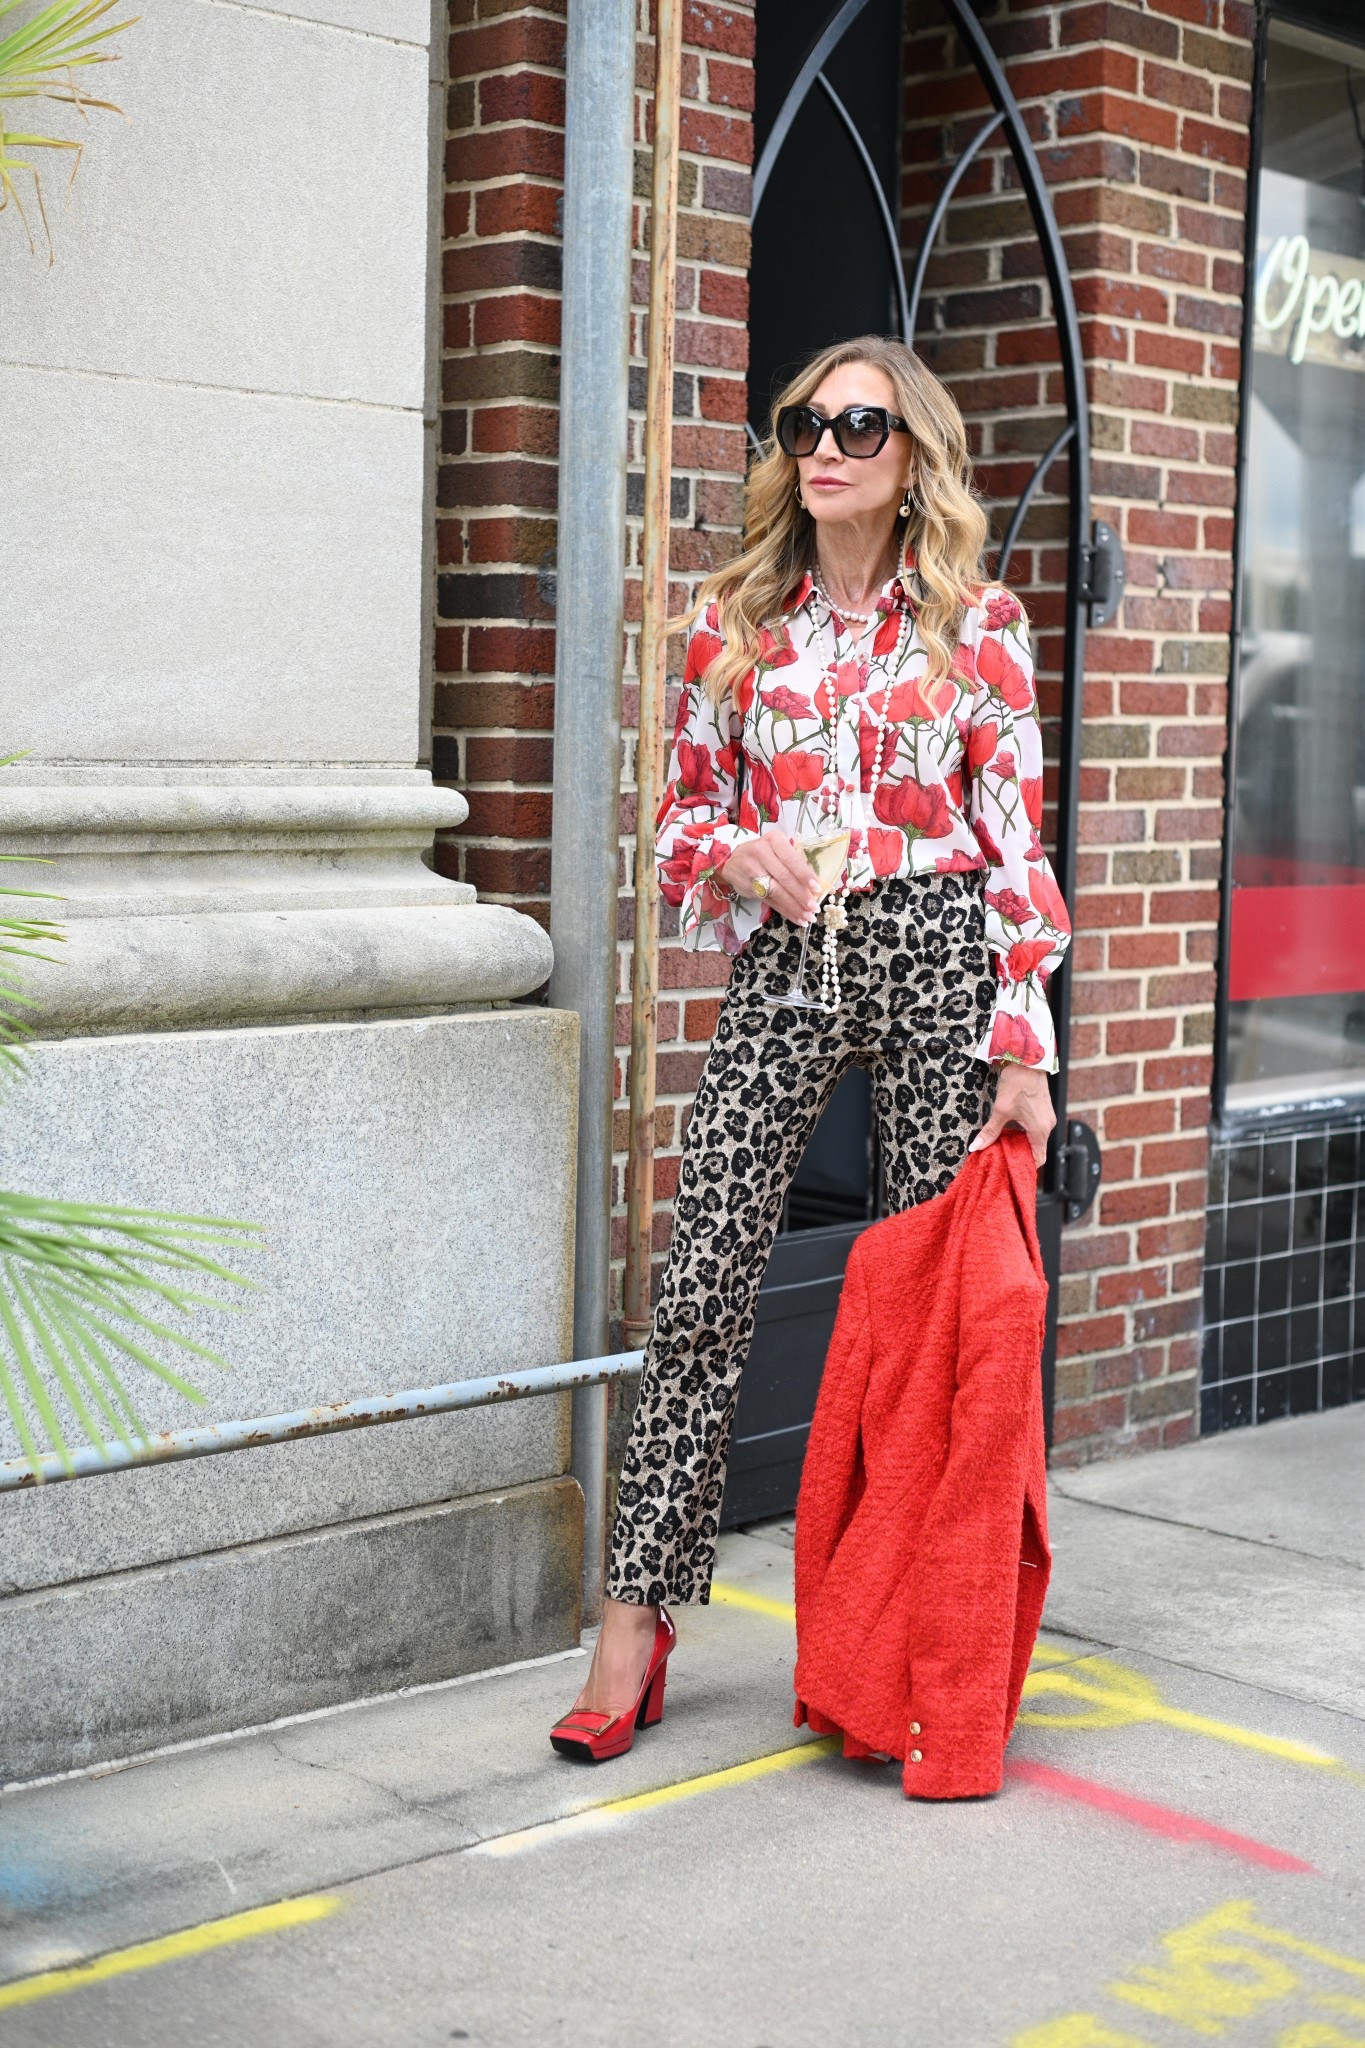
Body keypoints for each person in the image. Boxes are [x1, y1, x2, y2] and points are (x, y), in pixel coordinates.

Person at [549, 333, 1071, 1764]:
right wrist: (739, 850)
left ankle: (894, 1642)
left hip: (934, 955)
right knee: (703, 1280)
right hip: (788, 956)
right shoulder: (735, 625)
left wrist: (1022, 1050)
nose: (824, 447)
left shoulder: (979, 624)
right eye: (803, 423)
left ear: (915, 465)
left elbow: (1017, 847)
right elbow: (669, 832)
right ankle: (633, 1622)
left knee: (919, 1315)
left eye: (859, 426)